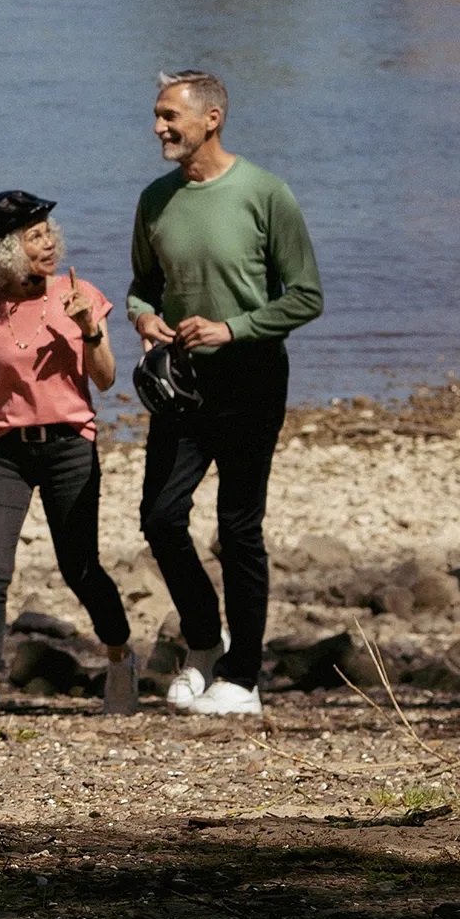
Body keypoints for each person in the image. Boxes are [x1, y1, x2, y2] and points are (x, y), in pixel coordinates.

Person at [127, 69, 324, 717]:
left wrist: (232, 328)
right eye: (158, 115)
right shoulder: (156, 200)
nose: (158, 127)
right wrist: (143, 318)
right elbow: (144, 286)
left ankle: (242, 680)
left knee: (238, 530)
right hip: (182, 384)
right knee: (160, 518)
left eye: (170, 116)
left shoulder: (266, 193)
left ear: (211, 119)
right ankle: (206, 644)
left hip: (251, 380)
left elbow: (306, 297)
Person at [0, 191, 137, 723]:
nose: (49, 243)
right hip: (5, 450)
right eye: (34, 236)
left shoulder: (80, 294)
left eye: (49, 231)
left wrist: (88, 327)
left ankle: (120, 658)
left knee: (81, 568)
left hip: (70, 447)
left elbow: (106, 378)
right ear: (7, 251)